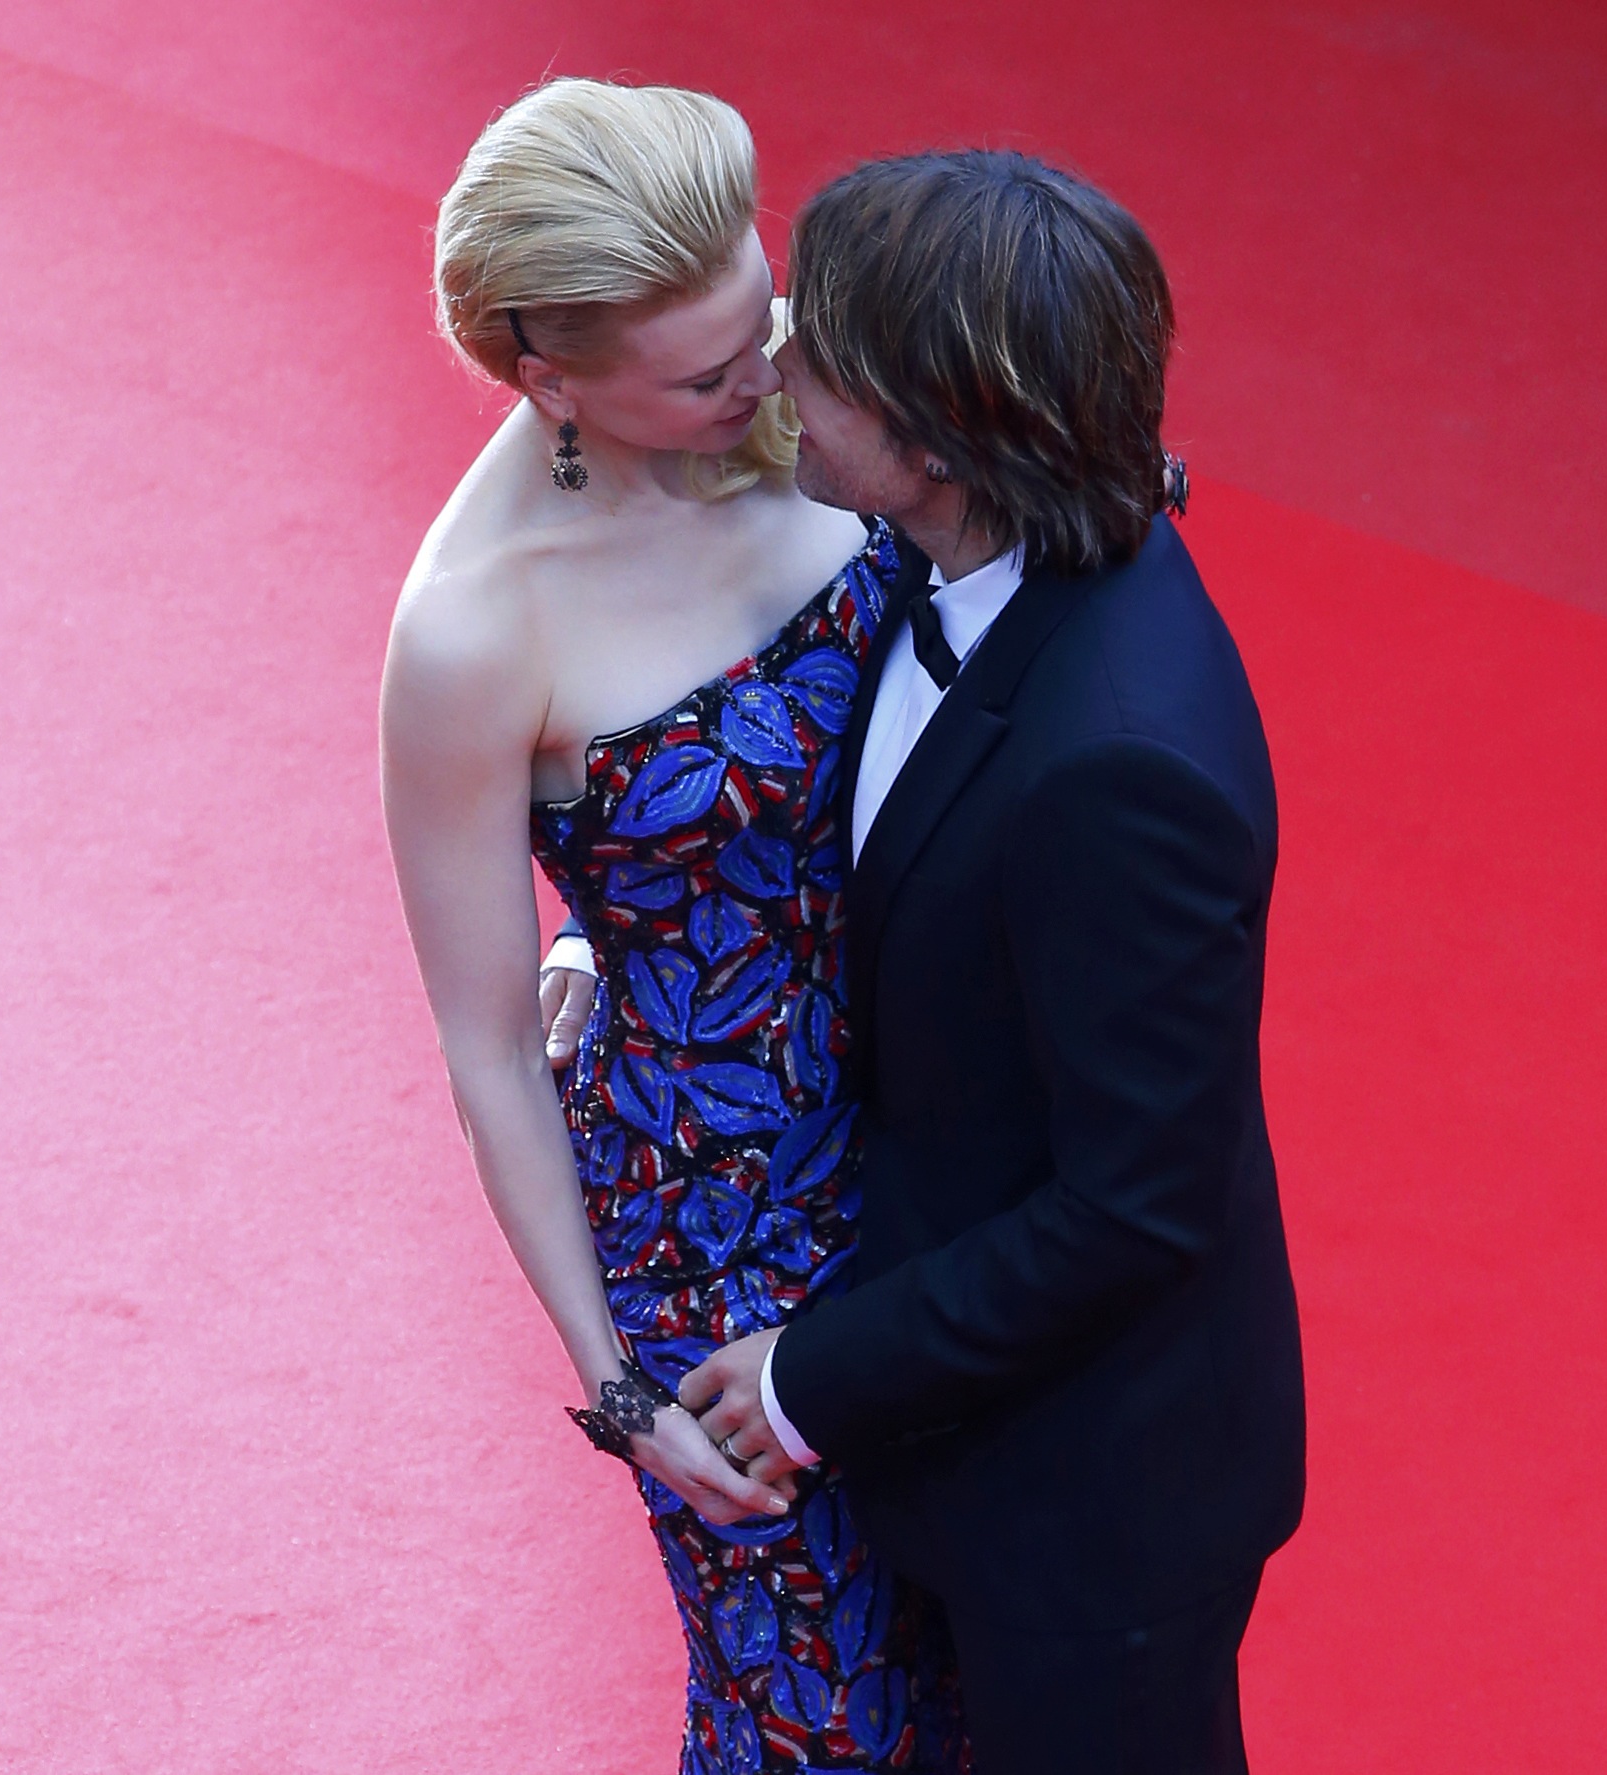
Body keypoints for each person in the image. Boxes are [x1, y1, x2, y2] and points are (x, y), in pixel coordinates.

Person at [669, 151, 1309, 1775]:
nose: (775, 368)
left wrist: (812, 1381)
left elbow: (1135, 1208)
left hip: (1094, 1511)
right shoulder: (955, 552)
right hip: (975, 1436)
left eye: (820, 355)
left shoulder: (1121, 768)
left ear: (941, 442)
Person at [380, 80, 968, 1773]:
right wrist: (620, 1389)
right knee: (828, 1719)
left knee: (1014, 1659)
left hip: (955, 1126)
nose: (771, 383)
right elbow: (488, 1048)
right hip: (723, 1219)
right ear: (549, 380)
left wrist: (604, 917)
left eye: (763, 321)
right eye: (707, 378)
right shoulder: (473, 630)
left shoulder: (782, 384)